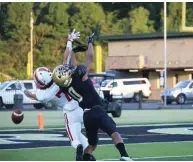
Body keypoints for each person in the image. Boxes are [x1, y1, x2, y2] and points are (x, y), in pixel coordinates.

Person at [52, 32, 132, 161]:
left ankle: (84, 157)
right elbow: (89, 57)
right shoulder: (81, 78)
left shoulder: (64, 86)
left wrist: (72, 51)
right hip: (97, 110)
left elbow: (67, 62)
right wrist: (90, 42)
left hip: (86, 115)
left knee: (92, 144)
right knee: (114, 133)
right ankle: (124, 155)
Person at [15, 30, 88, 161]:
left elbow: (33, 96)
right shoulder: (59, 76)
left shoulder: (45, 94)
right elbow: (66, 58)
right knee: (81, 135)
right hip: (80, 106)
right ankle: (89, 154)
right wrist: (69, 41)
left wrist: (23, 89)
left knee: (74, 139)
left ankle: (78, 148)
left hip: (69, 112)